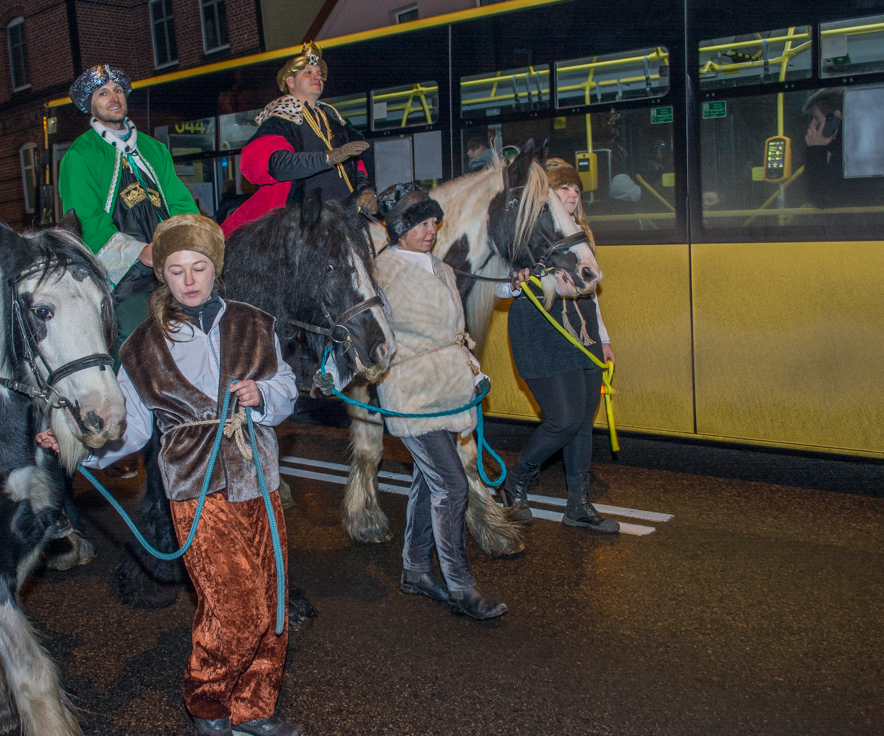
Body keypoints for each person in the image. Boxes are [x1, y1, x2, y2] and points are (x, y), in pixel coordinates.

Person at [47, 214, 300, 736]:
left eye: (199, 267)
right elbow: (131, 428)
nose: (189, 280)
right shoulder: (141, 346)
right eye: (177, 269)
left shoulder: (255, 323)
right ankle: (207, 702)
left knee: (271, 602)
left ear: (216, 269)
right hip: (194, 488)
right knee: (236, 606)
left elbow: (286, 385)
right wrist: (76, 445)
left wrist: (263, 394)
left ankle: (254, 706)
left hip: (258, 479)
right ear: (162, 274)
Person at [372, 183, 507, 620]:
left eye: (434, 222)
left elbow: (454, 332)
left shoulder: (443, 268)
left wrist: (473, 371)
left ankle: (415, 571)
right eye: (421, 223)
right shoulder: (381, 272)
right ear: (399, 228)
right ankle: (461, 585)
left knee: (429, 483)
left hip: (448, 390)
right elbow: (368, 332)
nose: (431, 230)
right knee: (451, 485)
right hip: (411, 393)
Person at [502, 159, 618, 534]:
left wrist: (604, 338)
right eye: (562, 187)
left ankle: (578, 505)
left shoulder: (580, 233)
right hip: (540, 329)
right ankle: (516, 480)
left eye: (575, 189)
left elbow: (592, 293)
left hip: (582, 330)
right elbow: (498, 285)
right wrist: (515, 282)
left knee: (582, 422)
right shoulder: (524, 232)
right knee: (564, 419)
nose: (571, 194)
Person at [57, 64, 200, 350]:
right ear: (89, 105)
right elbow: (87, 220)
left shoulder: (154, 148)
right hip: (123, 281)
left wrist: (185, 241)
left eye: (118, 90)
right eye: (103, 93)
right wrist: (138, 251)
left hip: (171, 264)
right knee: (138, 340)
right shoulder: (80, 155)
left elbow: (180, 202)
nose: (114, 98)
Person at [222, 41, 374, 234]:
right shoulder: (279, 121)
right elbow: (277, 164)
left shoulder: (336, 122)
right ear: (290, 82)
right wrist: (328, 158)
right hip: (303, 227)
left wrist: (366, 191)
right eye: (308, 72)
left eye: (319, 73)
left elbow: (357, 168)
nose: (317, 76)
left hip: (346, 222)